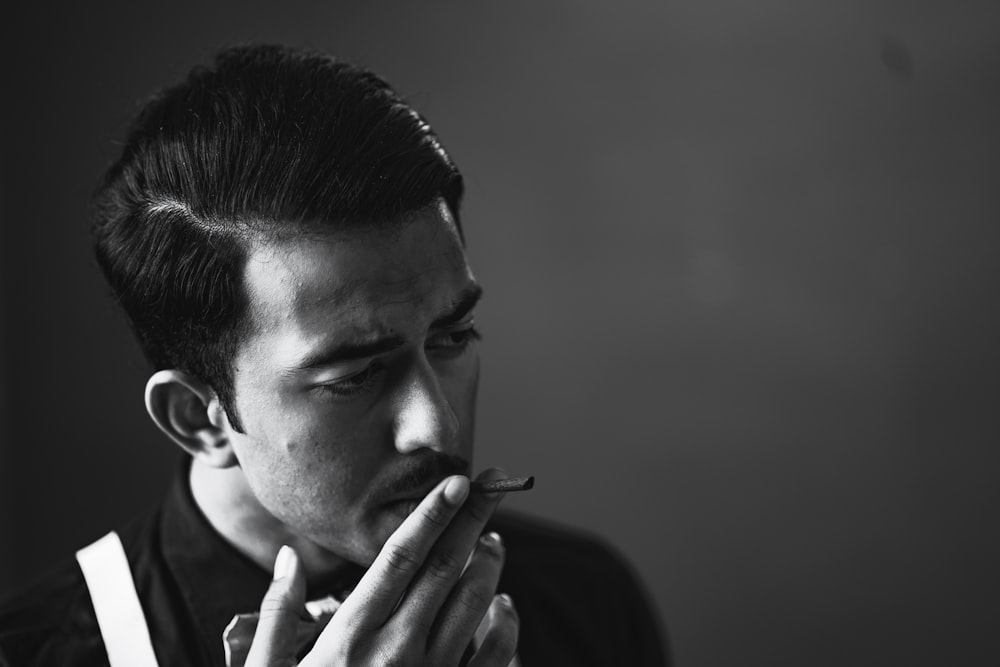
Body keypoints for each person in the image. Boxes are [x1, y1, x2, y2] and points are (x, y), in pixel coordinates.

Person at [0, 44, 668, 666]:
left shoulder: (589, 602)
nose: (437, 427)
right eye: (355, 375)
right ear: (198, 417)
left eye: (452, 336)